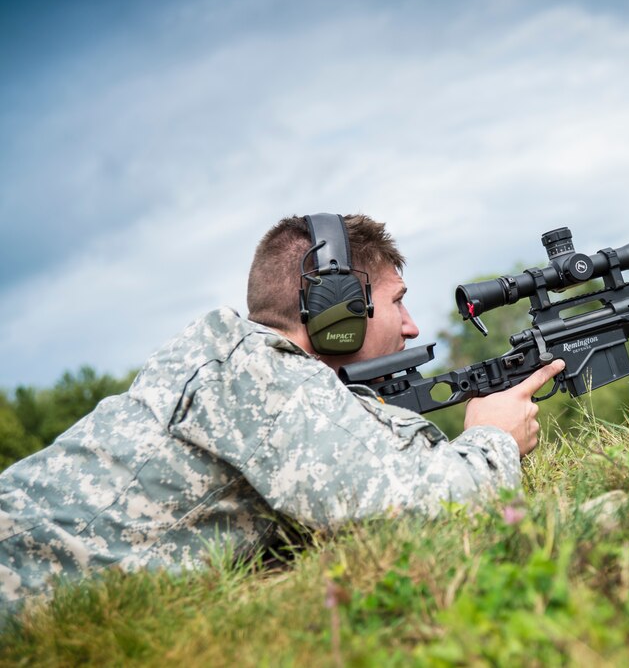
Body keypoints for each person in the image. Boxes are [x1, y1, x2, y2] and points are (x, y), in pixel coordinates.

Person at [0, 213, 565, 609]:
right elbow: (419, 514)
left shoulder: (241, 368)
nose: (412, 325)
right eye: (397, 301)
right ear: (335, 310)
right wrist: (492, 437)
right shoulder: (258, 375)